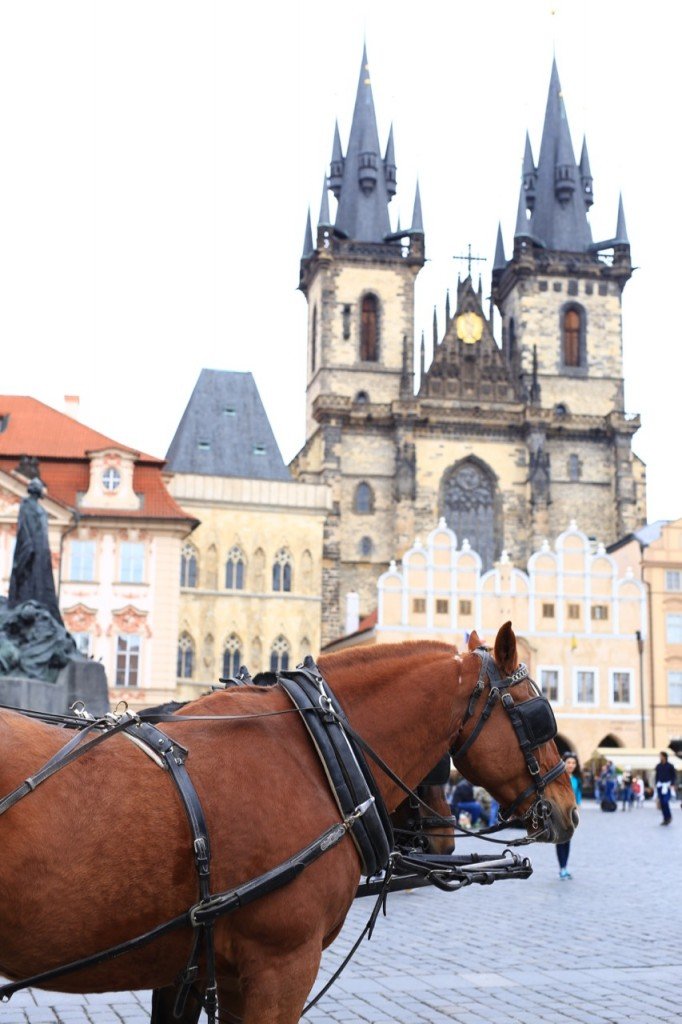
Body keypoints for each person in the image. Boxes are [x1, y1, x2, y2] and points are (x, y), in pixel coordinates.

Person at [556, 752, 582, 879]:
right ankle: (562, 869)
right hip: (559, 814)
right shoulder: (558, 778)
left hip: (571, 815)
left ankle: (565, 867)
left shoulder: (577, 780)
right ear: (564, 763)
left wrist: (577, 814)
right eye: (569, 762)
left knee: (567, 841)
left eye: (573, 763)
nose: (571, 765)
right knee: (560, 841)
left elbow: (578, 799)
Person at [654, 751, 676, 826]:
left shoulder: (670, 766)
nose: (660, 757)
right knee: (662, 803)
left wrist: (672, 784)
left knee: (665, 802)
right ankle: (665, 818)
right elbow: (656, 776)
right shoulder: (658, 766)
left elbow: (673, 776)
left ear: (664, 757)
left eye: (661, 756)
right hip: (660, 786)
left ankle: (669, 817)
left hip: (667, 786)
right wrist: (656, 784)